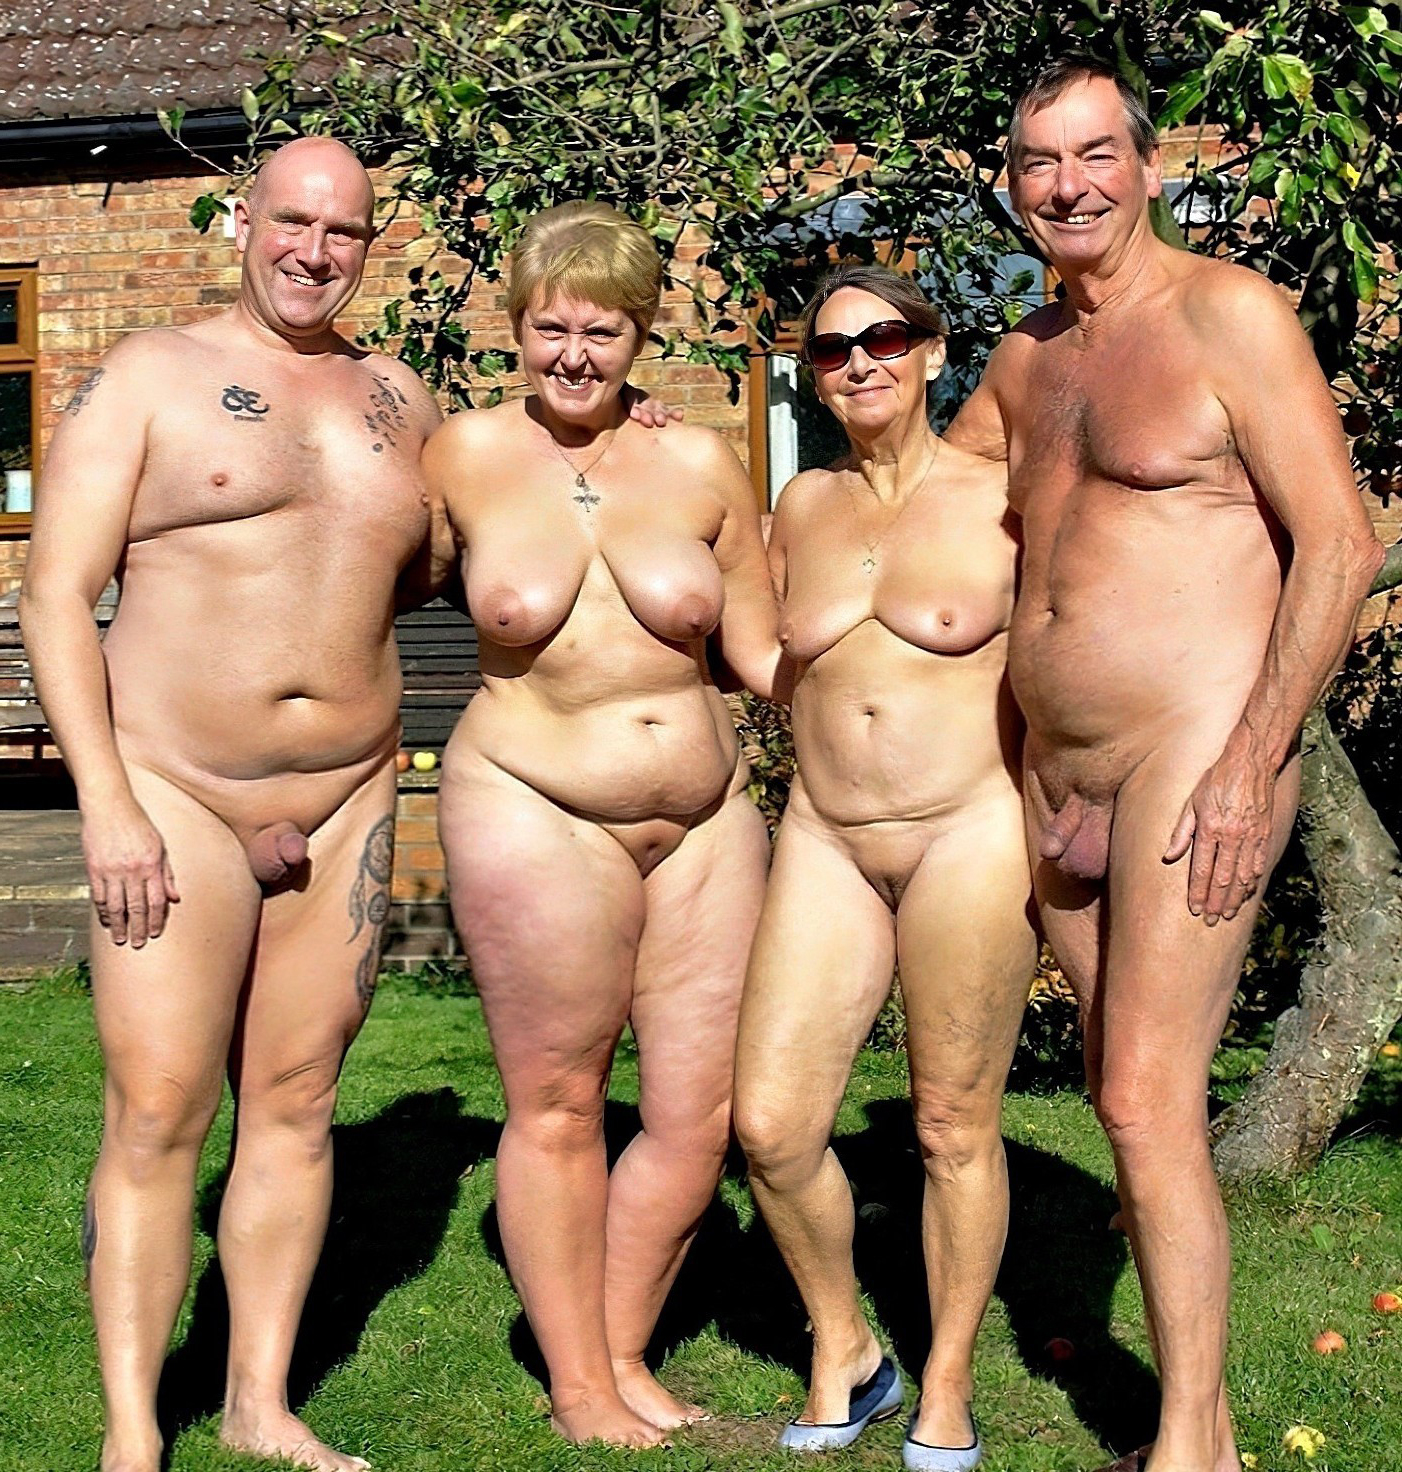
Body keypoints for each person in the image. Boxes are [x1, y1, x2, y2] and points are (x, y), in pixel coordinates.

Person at [18, 140, 674, 1472]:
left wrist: (623, 428)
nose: (312, 252)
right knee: (158, 1109)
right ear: (241, 221)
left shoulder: (398, 397)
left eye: (343, 232)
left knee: (298, 1101)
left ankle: (258, 1405)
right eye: (292, 221)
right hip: (177, 788)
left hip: (344, 795)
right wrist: (108, 802)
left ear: (370, 246)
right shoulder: (148, 376)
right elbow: (53, 595)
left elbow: (475, 534)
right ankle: (134, 1436)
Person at [944, 57, 1385, 1472]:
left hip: (1189, 756)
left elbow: (1340, 544)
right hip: (1049, 771)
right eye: (1037, 161)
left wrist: (1252, 761)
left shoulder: (1228, 317)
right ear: (1011, 186)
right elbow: (909, 503)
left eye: (1094, 154)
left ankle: (1194, 1441)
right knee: (1122, 1092)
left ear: (1145, 166)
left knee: (1141, 1096)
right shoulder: (1021, 362)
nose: (1066, 185)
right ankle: (1195, 1409)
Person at [421, 201, 781, 1449]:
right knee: (560, 1101)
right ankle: (578, 1383)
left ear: (641, 336)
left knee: (697, 1114)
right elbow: (357, 581)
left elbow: (763, 651)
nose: (574, 355)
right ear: (516, 326)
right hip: (535, 802)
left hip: (706, 820)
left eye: (603, 332)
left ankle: (621, 1348)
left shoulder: (701, 460)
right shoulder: (458, 453)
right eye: (551, 329)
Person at [732, 266, 1033, 1469]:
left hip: (970, 827)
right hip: (826, 835)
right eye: (830, 349)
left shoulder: (1004, 498)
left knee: (952, 1122)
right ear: (811, 377)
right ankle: (847, 1343)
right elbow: (757, 647)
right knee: (770, 1124)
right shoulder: (799, 505)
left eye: (884, 337)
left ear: (932, 351)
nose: (858, 361)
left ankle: (945, 1379)